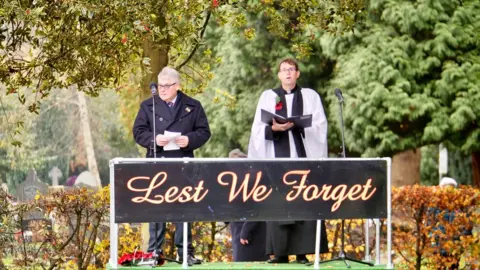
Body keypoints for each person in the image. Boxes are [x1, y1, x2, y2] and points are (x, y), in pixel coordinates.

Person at [247, 58, 329, 264]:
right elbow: (257, 129)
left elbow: (320, 126)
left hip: (303, 158)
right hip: (278, 159)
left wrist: (300, 125)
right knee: (279, 203)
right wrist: (273, 128)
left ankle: (302, 252)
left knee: (303, 202)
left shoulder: (310, 96)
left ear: (298, 73)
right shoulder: (269, 96)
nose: (288, 73)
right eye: (284, 70)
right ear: (279, 75)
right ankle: (280, 253)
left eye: (291, 70)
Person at [132, 66, 211, 266]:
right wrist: (154, 139)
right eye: (160, 86)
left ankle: (185, 252)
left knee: (184, 207)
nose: (163, 89)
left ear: (178, 85)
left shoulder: (193, 105)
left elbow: (204, 131)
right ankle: (154, 252)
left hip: (183, 163)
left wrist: (189, 139)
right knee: (156, 207)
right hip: (157, 163)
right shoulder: (147, 106)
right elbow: (138, 131)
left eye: (167, 86)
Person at [228, 149, 269, 262]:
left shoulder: (252, 183)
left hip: (249, 234)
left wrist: (246, 232)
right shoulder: (239, 182)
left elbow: (256, 208)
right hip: (240, 231)